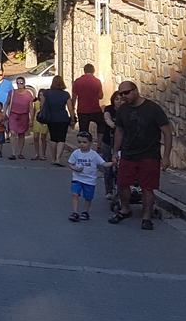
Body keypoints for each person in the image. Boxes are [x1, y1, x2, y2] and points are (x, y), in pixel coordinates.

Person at [109, 81, 174, 230]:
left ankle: (146, 217)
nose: (123, 96)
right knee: (122, 183)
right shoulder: (123, 110)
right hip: (128, 153)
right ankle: (125, 209)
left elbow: (167, 132)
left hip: (149, 154)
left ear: (135, 90)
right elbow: (119, 131)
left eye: (126, 93)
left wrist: (166, 156)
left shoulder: (153, 108)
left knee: (147, 187)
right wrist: (115, 152)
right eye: (121, 94)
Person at [67, 132, 111, 222]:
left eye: (84, 142)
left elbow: (104, 164)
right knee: (75, 194)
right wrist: (75, 168)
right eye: (79, 142)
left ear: (90, 143)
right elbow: (70, 163)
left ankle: (85, 212)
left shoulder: (94, 155)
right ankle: (75, 212)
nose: (81, 144)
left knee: (88, 197)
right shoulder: (76, 153)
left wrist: (113, 163)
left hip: (89, 180)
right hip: (77, 178)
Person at [38, 75, 75, 165]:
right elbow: (70, 108)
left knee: (53, 138)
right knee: (61, 139)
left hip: (51, 118)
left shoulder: (47, 93)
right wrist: (72, 119)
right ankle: (58, 158)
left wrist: (42, 116)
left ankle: (53, 158)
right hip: (63, 118)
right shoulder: (66, 94)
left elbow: (42, 106)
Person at [5, 77, 36, 160]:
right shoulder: (12, 93)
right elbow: (7, 103)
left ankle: (20, 153)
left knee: (21, 134)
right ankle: (13, 153)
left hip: (24, 116)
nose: (19, 85)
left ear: (24, 83)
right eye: (18, 83)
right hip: (13, 115)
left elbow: (31, 108)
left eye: (21, 83)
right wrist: (4, 113)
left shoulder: (28, 94)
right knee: (12, 132)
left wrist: (31, 119)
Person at [73, 63, 105, 139]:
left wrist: (73, 110)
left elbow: (74, 97)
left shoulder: (77, 81)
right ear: (93, 71)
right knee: (102, 124)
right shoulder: (97, 81)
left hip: (82, 110)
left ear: (84, 71)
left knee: (83, 131)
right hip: (95, 109)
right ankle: (99, 142)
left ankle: (84, 144)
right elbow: (100, 96)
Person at [31, 89, 48, 161]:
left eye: (43, 95)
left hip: (44, 121)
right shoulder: (36, 103)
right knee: (35, 137)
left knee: (43, 137)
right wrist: (31, 121)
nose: (41, 96)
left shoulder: (48, 103)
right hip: (36, 120)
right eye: (40, 95)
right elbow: (33, 112)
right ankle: (37, 154)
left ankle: (43, 154)